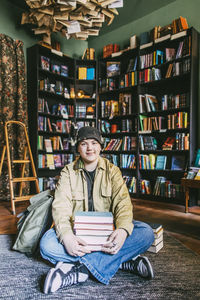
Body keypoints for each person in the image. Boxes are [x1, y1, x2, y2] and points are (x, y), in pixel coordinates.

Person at [40, 126, 154, 294]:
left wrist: (122, 230)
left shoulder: (113, 171)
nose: (89, 148)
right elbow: (61, 206)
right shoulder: (67, 172)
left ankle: (79, 271)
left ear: (101, 146)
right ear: (78, 147)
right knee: (46, 244)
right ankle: (122, 261)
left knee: (146, 233)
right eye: (84, 143)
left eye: (94, 143)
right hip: (79, 235)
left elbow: (123, 204)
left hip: (108, 234)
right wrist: (67, 236)